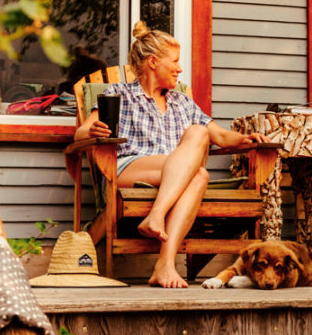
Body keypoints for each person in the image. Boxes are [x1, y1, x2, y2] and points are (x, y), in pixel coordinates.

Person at [74, 21, 267, 289]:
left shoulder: (183, 101)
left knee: (199, 165)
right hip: (131, 168)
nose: (180, 68)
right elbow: (81, 133)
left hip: (174, 174)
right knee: (195, 168)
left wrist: (245, 140)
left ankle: (164, 261)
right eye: (174, 61)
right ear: (153, 62)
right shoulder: (119, 94)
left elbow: (220, 137)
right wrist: (92, 129)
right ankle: (159, 226)